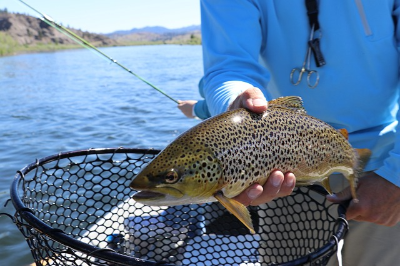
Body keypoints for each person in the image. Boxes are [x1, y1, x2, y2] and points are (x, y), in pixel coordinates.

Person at [196, 1, 400, 265]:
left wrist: (396, 176)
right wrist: (235, 104)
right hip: (278, 169)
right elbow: (228, 66)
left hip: (386, 156)